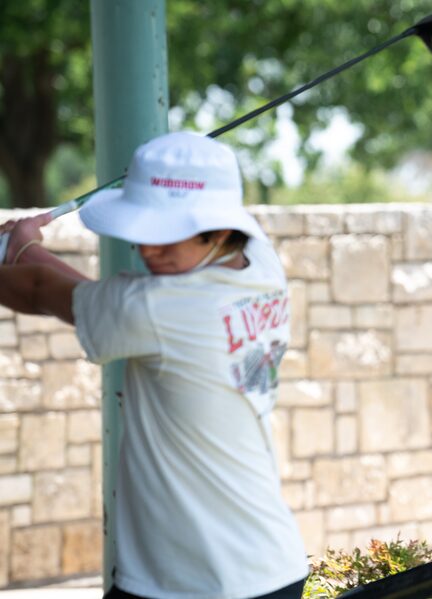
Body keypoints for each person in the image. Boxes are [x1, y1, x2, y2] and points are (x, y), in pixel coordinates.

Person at [0, 132, 308, 599]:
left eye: (169, 234)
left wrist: (18, 246)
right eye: (145, 231)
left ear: (222, 229)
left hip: (191, 585)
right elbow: (106, 302)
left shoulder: (157, 307)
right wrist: (22, 250)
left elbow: (44, 289)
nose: (149, 250)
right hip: (271, 567)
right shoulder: (261, 262)